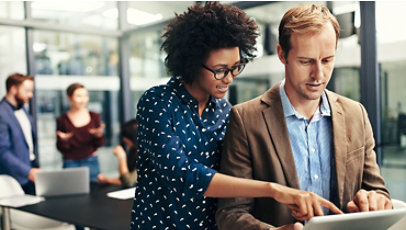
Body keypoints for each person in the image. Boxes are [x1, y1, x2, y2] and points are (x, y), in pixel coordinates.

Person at [130, 2, 342, 230]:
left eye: (235, 68)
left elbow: (233, 180)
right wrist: (272, 189)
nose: (229, 78)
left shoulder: (225, 111)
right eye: (220, 69)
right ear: (191, 62)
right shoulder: (158, 102)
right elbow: (181, 174)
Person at [216, 4, 392, 230]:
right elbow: (231, 213)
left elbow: (377, 190)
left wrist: (376, 199)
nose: (318, 74)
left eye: (327, 60)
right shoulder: (246, 119)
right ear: (282, 54)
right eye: (306, 61)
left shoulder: (355, 114)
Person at [0, 73, 40, 195]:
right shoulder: (2, 113)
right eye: (27, 91)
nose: (31, 95)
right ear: (13, 89)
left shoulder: (23, 109)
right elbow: (2, 151)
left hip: (31, 170)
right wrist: (27, 171)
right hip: (15, 176)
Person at [56, 83, 105, 182]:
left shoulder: (94, 116)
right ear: (69, 98)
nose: (83, 99)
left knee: (94, 192)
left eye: (85, 95)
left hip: (91, 160)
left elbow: (99, 144)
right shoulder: (62, 120)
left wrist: (98, 136)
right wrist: (64, 141)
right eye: (79, 96)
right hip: (70, 162)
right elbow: (61, 148)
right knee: (71, 191)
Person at [98, 119, 138, 188]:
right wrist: (108, 180)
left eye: (126, 136)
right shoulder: (133, 151)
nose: (124, 139)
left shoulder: (145, 155)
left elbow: (129, 182)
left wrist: (121, 156)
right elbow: (124, 178)